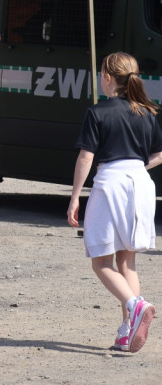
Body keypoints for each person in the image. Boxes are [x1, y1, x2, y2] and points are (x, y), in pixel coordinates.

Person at [67, 52, 161, 353]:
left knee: (102, 261)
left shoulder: (98, 112)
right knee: (127, 260)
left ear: (107, 78)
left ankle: (135, 305)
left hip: (111, 184)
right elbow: (159, 153)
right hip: (141, 183)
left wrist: (74, 197)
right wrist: (137, 167)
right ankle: (127, 329)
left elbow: (86, 157)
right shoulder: (148, 112)